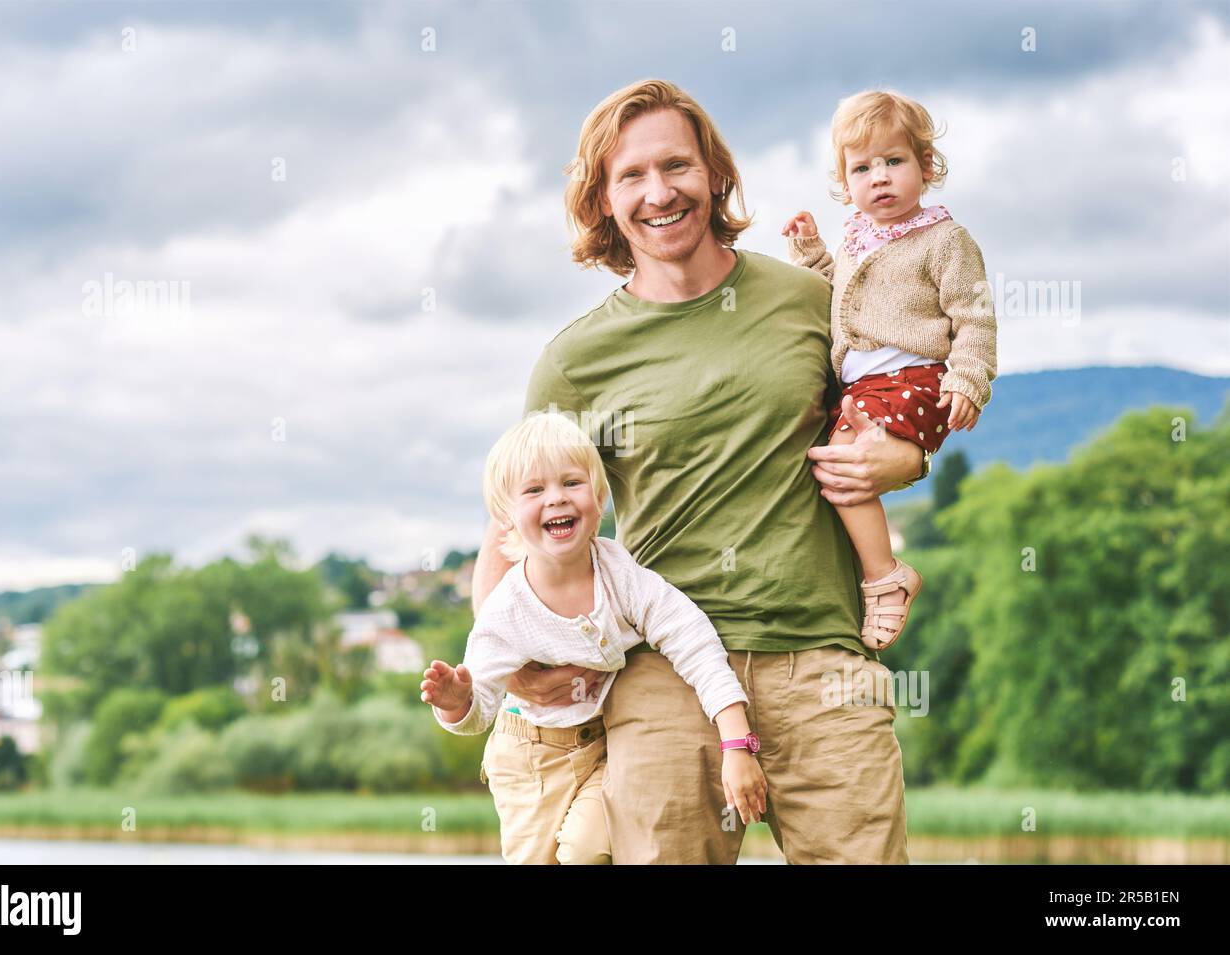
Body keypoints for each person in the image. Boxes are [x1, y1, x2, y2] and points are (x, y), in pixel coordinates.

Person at [472, 78, 922, 864]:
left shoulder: (812, 301)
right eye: (631, 177)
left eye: (676, 165)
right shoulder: (577, 362)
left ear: (715, 173)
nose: (659, 192)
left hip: (824, 661)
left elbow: (896, 398)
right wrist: (510, 666)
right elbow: (509, 531)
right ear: (604, 202)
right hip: (663, 676)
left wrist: (910, 457)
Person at [422, 411, 766, 864]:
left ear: (599, 497)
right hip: (529, 758)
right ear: (505, 517)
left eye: (571, 483)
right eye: (534, 490)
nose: (556, 499)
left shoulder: (618, 575)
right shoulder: (506, 610)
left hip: (602, 745)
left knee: (590, 850)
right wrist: (456, 701)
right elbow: (478, 710)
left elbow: (692, 639)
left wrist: (736, 742)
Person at [781, 89, 998, 651]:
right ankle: (858, 575)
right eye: (862, 167)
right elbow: (841, 293)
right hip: (864, 385)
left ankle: (885, 578)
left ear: (926, 167)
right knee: (827, 465)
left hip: (916, 379)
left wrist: (969, 379)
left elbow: (974, 315)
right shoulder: (857, 236)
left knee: (845, 460)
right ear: (844, 181)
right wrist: (810, 252)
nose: (879, 177)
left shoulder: (945, 240)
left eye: (894, 161)